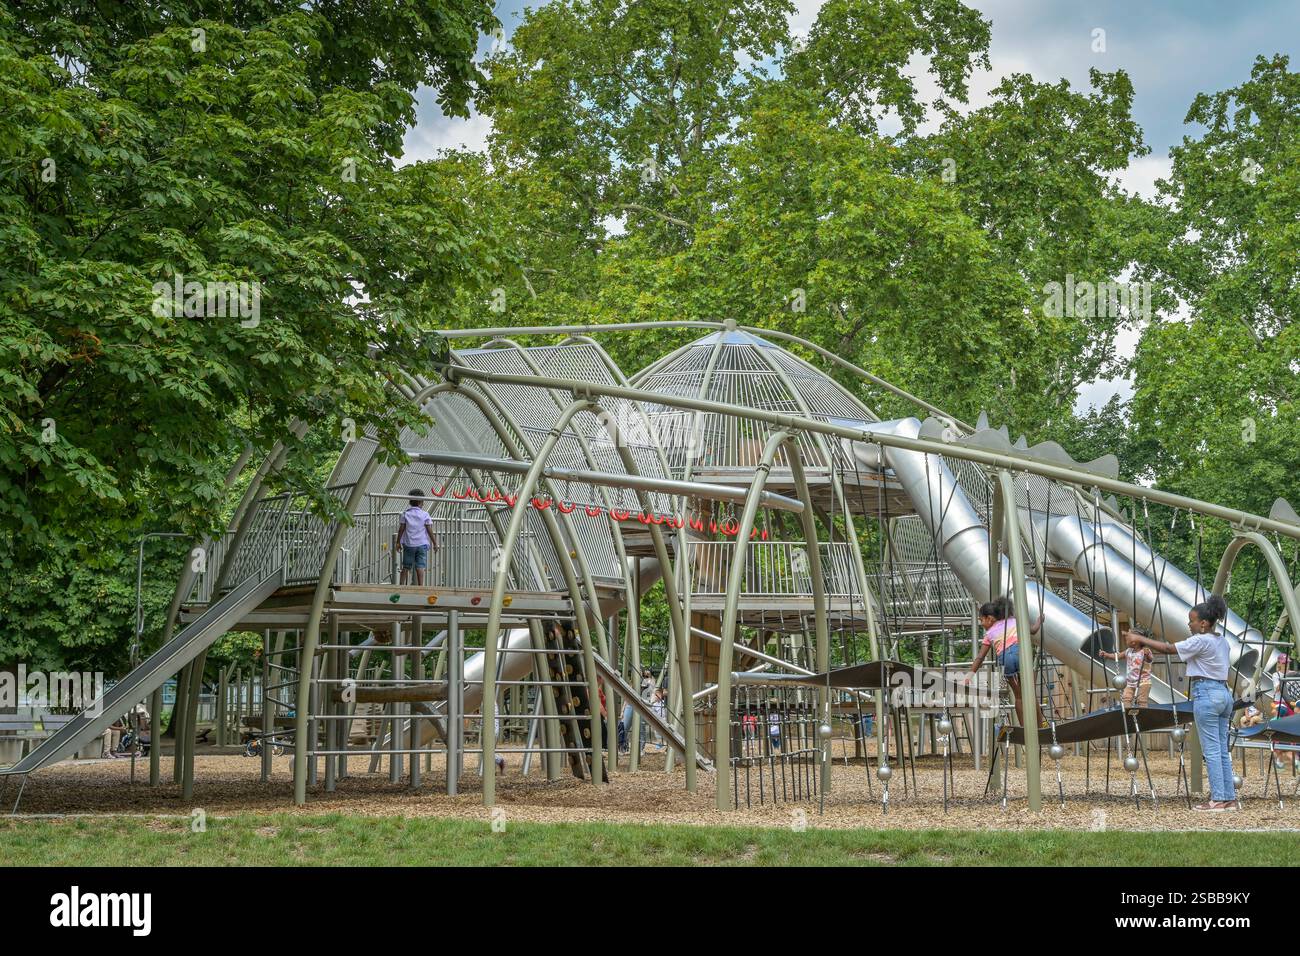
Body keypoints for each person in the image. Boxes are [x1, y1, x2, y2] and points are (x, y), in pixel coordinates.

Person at [1128, 594, 1237, 811]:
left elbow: (1169, 649)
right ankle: (1228, 798)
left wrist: (1141, 640)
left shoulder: (1200, 640)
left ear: (1203, 624)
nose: (1189, 624)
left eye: (1192, 621)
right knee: (1222, 749)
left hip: (1206, 692)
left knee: (1212, 749)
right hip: (1224, 694)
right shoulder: (1221, 641)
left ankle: (1217, 799)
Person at [966, 596, 1042, 729]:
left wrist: (970, 674)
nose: (981, 623)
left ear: (990, 618)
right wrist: (1040, 620)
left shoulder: (989, 634)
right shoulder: (1015, 621)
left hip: (1006, 659)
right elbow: (1034, 630)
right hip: (1021, 654)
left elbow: (980, 657)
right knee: (1030, 692)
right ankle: (1040, 727)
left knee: (1018, 696)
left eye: (981, 620)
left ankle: (1024, 729)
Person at [1099, 629, 1154, 707]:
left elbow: (1149, 660)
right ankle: (1128, 714)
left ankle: (1143, 715)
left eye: (1127, 638)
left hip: (1143, 682)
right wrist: (1107, 655)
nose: (1125, 640)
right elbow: (1117, 656)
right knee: (1126, 698)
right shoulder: (1128, 651)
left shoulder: (1144, 652)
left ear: (1134, 641)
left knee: (1141, 700)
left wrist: (1147, 655)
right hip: (1130, 682)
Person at [396, 490, 437, 586]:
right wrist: (435, 543)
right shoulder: (425, 515)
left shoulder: (405, 514)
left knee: (406, 566)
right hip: (421, 545)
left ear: (410, 501)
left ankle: (401, 585)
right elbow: (429, 530)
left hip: (409, 544)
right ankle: (421, 586)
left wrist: (398, 542)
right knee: (420, 566)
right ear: (420, 502)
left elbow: (401, 529)